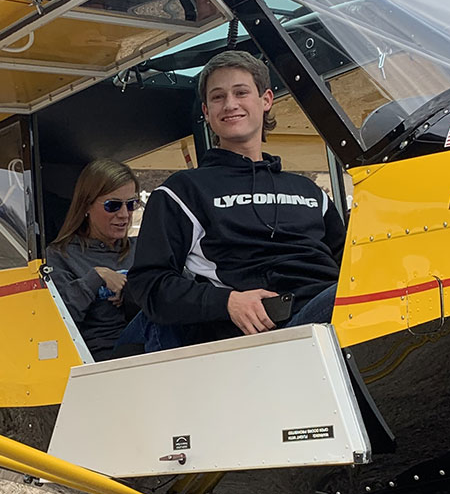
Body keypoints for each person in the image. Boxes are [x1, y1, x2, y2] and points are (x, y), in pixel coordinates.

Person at [126, 51, 346, 350]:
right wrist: (227, 302)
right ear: (206, 111)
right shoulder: (183, 192)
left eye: (241, 92)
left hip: (339, 309)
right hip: (274, 333)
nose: (230, 104)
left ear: (266, 100)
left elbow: (350, 265)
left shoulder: (310, 192)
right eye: (217, 97)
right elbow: (148, 283)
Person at [47, 160, 142, 360]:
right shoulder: (60, 256)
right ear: (86, 206)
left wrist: (131, 289)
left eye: (132, 204)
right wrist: (95, 279)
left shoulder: (142, 248)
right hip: (101, 360)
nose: (124, 214)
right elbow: (57, 324)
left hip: (153, 348)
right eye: (113, 205)